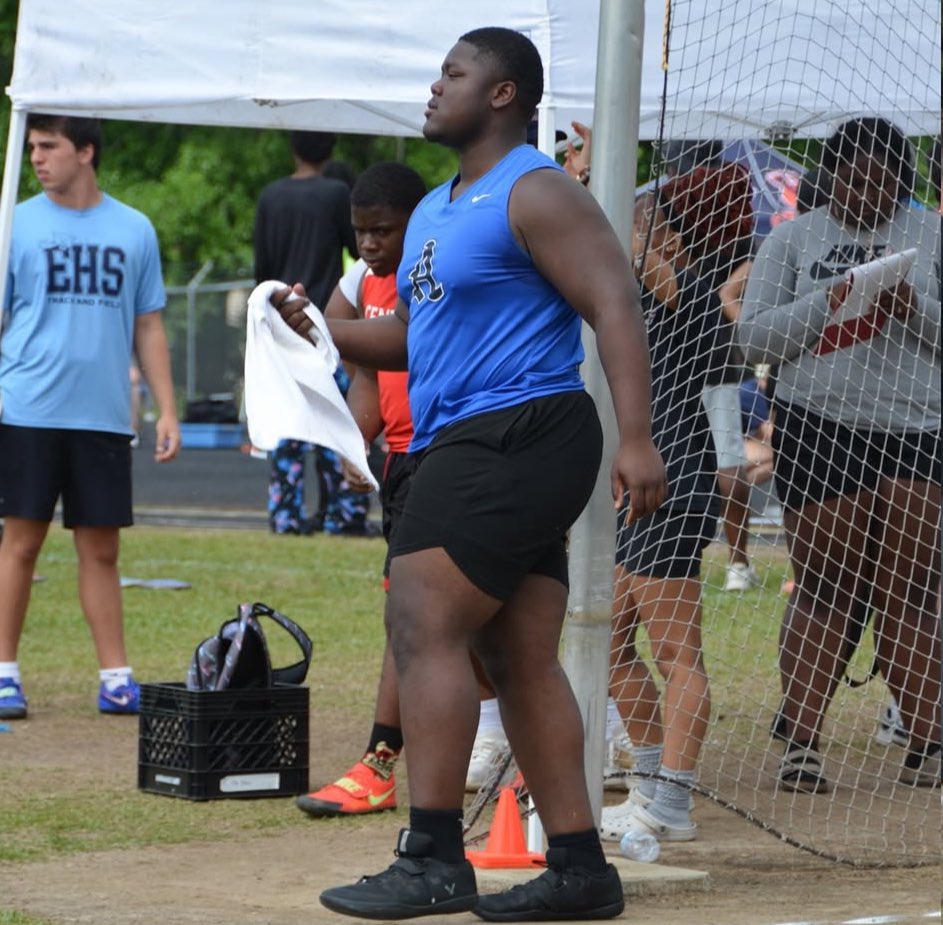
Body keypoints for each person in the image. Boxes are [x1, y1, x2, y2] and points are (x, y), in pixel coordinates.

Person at [271, 27, 667, 921]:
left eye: (454, 73)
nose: (434, 87)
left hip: (518, 428)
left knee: (418, 615)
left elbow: (612, 299)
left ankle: (432, 854)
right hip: (476, 433)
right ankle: (578, 866)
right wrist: (324, 332)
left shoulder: (536, 189)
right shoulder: (438, 210)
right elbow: (420, 338)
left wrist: (636, 436)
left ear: (502, 94)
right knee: (514, 651)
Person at [0, 114, 180, 720]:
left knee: (100, 550)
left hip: (102, 416)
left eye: (48, 147)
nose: (37, 158)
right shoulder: (13, 222)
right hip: (26, 410)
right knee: (19, 543)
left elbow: (148, 325)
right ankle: (3, 675)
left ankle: (116, 675)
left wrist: (167, 409)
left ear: (86, 151)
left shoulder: (134, 229)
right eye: (32, 148)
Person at [738, 116, 941, 792]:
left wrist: (912, 307)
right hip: (819, 425)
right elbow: (752, 343)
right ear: (830, 177)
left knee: (911, 591)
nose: (865, 192)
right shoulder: (793, 239)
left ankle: (927, 743)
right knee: (825, 586)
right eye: (852, 178)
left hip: (916, 430)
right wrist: (823, 304)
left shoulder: (930, 234)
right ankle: (800, 744)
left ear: (901, 180)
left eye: (882, 179)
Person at [601, 165, 755, 845]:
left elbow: (629, 242)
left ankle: (671, 801)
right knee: (604, 640)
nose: (639, 219)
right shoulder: (657, 284)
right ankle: (649, 782)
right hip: (634, 484)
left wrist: (600, 178)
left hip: (672, 482)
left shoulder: (688, 291)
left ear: (677, 229)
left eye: (654, 213)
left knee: (675, 651)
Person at [295, 161, 428, 817]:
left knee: (421, 615)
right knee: (417, 616)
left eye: (383, 231)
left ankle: (382, 759)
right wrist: (356, 437)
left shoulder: (432, 271)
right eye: (361, 232)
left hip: (450, 457)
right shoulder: (365, 278)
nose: (370, 244)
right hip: (403, 464)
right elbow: (367, 377)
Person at [253, 130, 359, 535]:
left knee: (286, 424)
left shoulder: (270, 196)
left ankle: (285, 514)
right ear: (331, 147)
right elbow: (355, 246)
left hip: (280, 321)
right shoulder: (335, 194)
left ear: (293, 148)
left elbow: (262, 265)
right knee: (333, 415)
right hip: (320, 323)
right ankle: (341, 512)